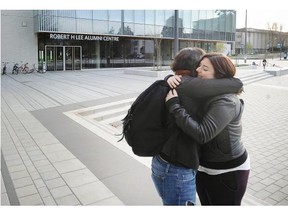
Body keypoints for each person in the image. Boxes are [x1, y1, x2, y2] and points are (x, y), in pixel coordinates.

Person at [151, 48, 244, 205]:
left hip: (225, 168)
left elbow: (202, 134)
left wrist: (174, 103)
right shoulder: (191, 86)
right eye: (198, 66)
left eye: (204, 68)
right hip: (194, 166)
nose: (198, 70)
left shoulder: (223, 99)